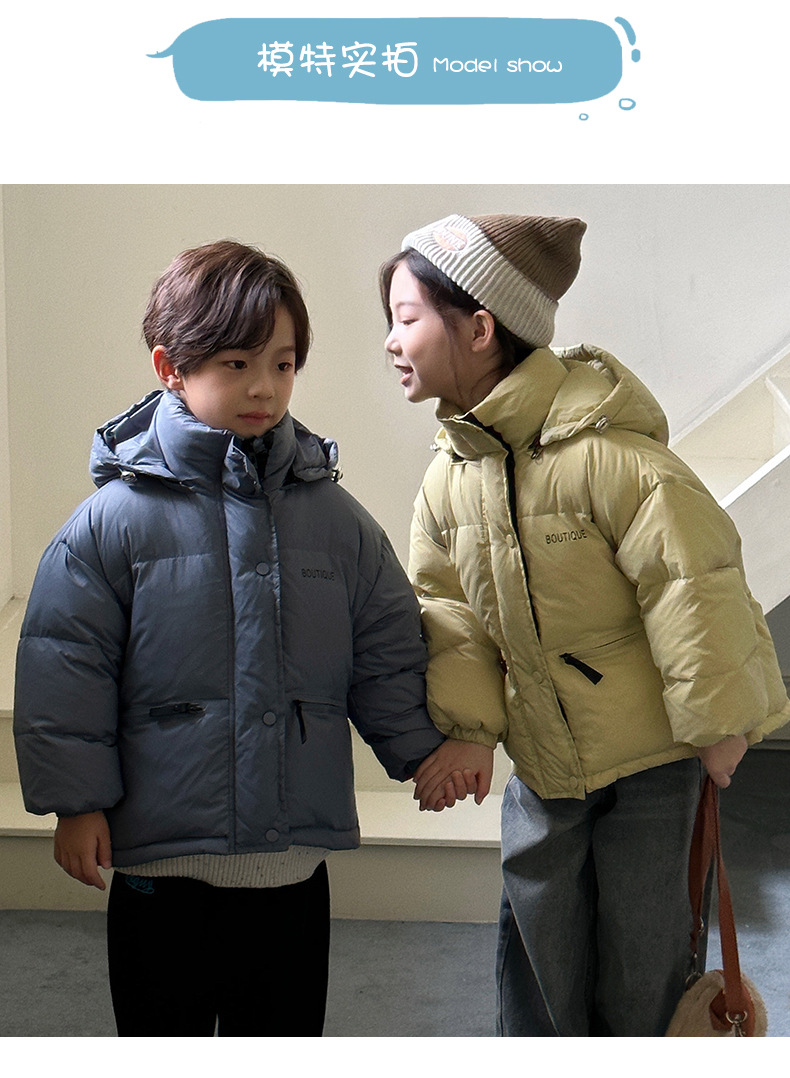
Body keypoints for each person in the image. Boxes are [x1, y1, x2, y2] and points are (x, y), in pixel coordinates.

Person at [13, 239, 484, 1038]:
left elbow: (384, 649)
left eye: (283, 363)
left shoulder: (336, 521)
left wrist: (421, 751)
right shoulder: (113, 524)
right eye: (236, 364)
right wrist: (76, 802)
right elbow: (65, 665)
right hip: (160, 861)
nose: (264, 386)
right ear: (171, 367)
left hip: (291, 864)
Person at [382, 213, 790, 1036]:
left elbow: (694, 583)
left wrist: (719, 723)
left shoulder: (612, 459)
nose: (391, 341)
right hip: (543, 770)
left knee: (643, 954)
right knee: (539, 945)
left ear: (480, 328)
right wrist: (470, 730)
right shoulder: (447, 482)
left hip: (652, 767)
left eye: (407, 317)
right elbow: (452, 615)